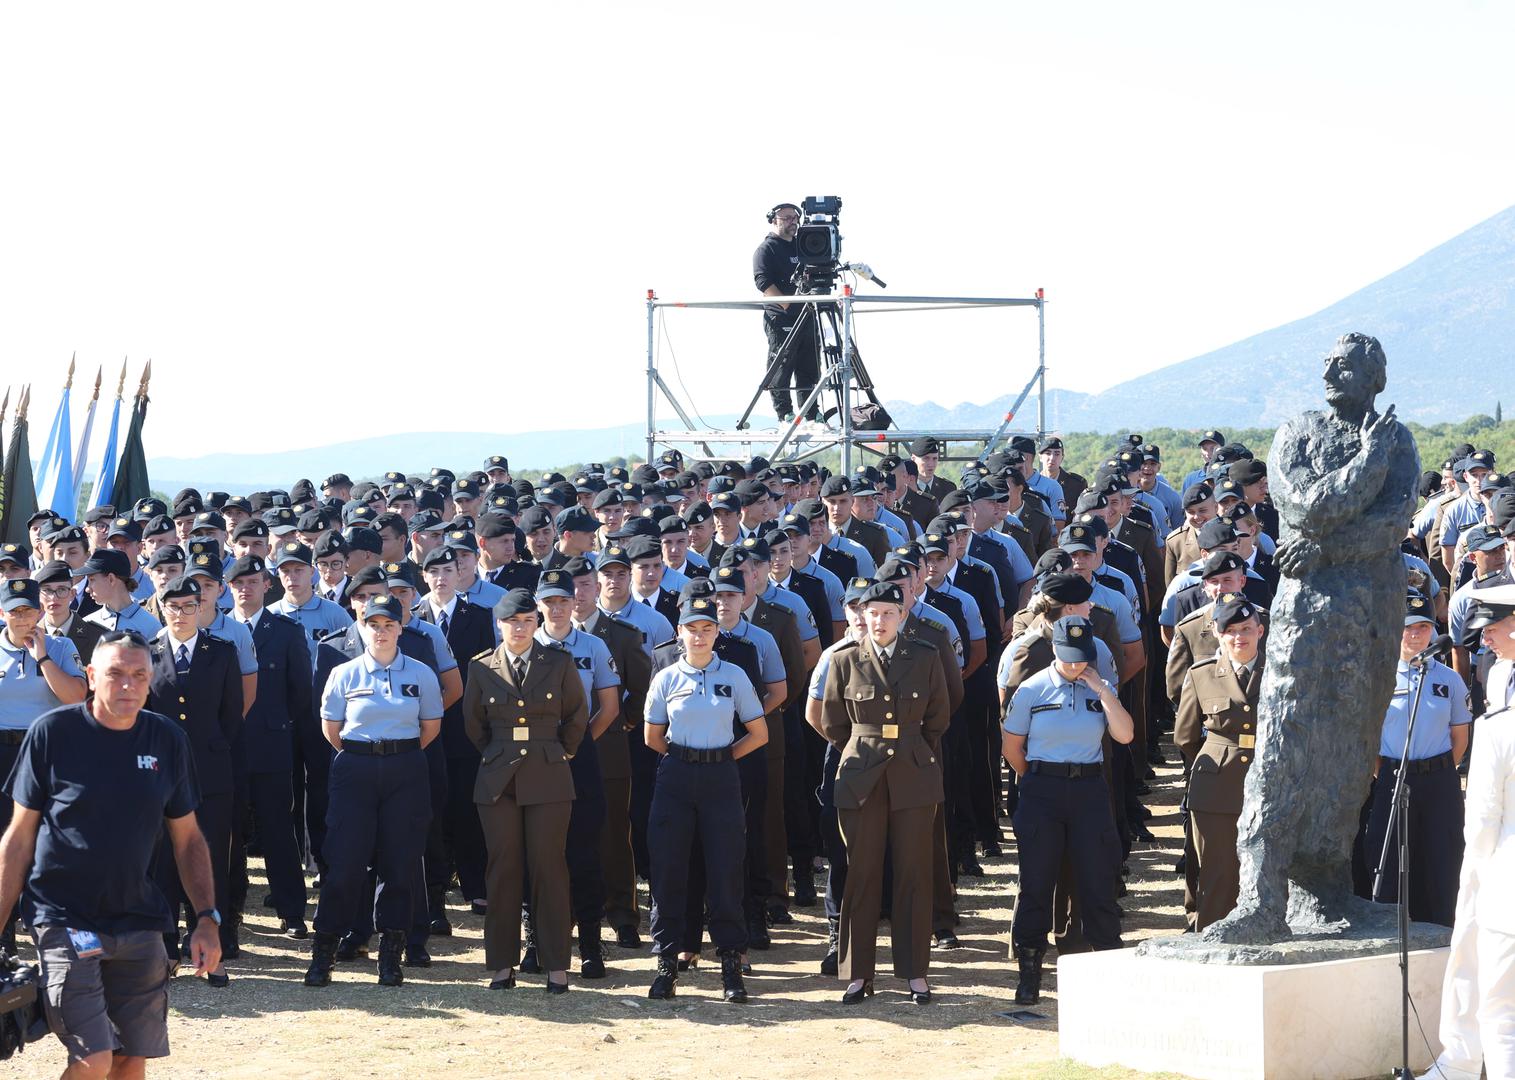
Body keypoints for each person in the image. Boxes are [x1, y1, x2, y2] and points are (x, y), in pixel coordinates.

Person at [0, 630, 221, 1078]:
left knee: (130, 1059)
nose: (128, 685)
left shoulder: (166, 739)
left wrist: (206, 918)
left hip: (139, 921)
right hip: (65, 918)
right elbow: (19, 839)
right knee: (92, 1057)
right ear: (92, 676)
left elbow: (189, 839)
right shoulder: (53, 733)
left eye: (139, 675)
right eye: (115, 674)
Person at [820, 580, 950, 1005]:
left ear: (901, 616)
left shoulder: (925, 656)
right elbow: (833, 721)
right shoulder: (843, 660)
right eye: (872, 613)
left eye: (888, 613)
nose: (879, 621)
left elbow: (938, 716)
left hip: (913, 772)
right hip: (861, 775)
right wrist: (864, 748)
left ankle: (915, 972)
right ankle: (858, 974)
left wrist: (909, 749)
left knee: (914, 871)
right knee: (861, 872)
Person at [304, 595, 443, 988]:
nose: (380, 632)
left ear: (401, 628)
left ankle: (390, 957)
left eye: (388, 625)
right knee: (345, 865)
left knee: (399, 866)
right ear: (361, 627)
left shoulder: (421, 672)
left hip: (406, 768)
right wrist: (363, 755)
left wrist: (395, 753)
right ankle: (324, 953)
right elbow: (331, 729)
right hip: (355, 769)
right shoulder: (345, 673)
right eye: (373, 624)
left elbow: (429, 726)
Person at [1002, 615, 1134, 1003]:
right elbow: (1012, 747)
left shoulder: (1100, 686)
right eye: (1069, 658)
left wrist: (1103, 690)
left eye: (1082, 658)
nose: (1076, 665)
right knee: (1037, 883)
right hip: (1042, 789)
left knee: (1097, 879)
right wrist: (1037, 778)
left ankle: (1108, 965)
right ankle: (1030, 972)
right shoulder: (1031, 689)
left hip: (1089, 789)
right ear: (1054, 651)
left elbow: (1124, 734)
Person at [643, 593, 768, 1003]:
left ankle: (731, 965)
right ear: (679, 633)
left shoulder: (733, 674)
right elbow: (651, 737)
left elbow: (758, 732)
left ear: (717, 632)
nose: (699, 637)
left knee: (726, 869)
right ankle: (666, 963)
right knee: (668, 869)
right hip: (676, 776)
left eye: (707, 629)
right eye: (692, 629)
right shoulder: (666, 677)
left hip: (720, 777)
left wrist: (720, 758)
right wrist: (688, 758)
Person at [464, 588, 588, 993]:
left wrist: (557, 754)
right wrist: (500, 755)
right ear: (499, 625)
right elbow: (474, 726)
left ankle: (556, 964)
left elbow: (576, 716)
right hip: (499, 780)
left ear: (537, 624)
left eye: (527, 621)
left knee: (549, 868)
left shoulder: (558, 662)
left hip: (549, 775)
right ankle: (502, 964)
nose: (520, 628)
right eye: (512, 622)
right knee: (503, 870)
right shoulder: (481, 667)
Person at [1420, 583, 1515, 1080]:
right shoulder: (1499, 676)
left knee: (1502, 1011)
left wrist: (1479, 863)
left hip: (1501, 866)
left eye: (1494, 630)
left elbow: (1483, 814)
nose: (1486, 643)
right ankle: (1459, 1060)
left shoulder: (1498, 728)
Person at [147, 575, 244, 985]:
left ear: (202, 607)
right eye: (174, 606)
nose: (182, 613)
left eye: (190, 606)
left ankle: (209, 951)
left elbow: (231, 715)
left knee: (209, 861)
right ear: (161, 607)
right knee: (163, 863)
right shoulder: (147, 652)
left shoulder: (221, 651)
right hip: (161, 775)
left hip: (209, 772)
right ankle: (166, 949)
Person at [1355, 590, 1469, 928]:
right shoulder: (1380, 678)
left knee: (1441, 857)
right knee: (1389, 858)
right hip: (1393, 777)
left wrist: (1437, 768)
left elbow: (1459, 737)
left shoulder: (1448, 679)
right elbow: (1370, 737)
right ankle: (1389, 929)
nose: (1416, 635)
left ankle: (1440, 930)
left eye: (1423, 627)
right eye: (1408, 628)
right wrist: (1386, 773)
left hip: (1438, 780)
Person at [0, 579, 87, 952]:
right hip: (2, 752)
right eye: (14, 611)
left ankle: (46, 935)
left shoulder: (62, 646)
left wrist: (43, 657)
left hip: (45, 752)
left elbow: (76, 697)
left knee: (45, 845)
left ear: (40, 611)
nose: (23, 619)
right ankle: (4, 937)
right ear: (2, 613)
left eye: (28, 610)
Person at [1174, 593, 1265, 931]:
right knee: (1217, 871)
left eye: (1246, 628)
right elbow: (1185, 736)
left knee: (1263, 869)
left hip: (1267, 781)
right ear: (1218, 634)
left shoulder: (1279, 672)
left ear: (1260, 629)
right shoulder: (1201, 674)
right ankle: (1210, 934)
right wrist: (1219, 755)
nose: (1239, 637)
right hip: (1216, 786)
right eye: (1231, 631)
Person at [752, 201, 819, 424]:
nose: (792, 222)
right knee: (782, 364)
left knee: (810, 366)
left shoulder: (803, 246)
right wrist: (787, 304)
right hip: (781, 317)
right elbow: (763, 282)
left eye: (794, 217)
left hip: (808, 315)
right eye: (786, 218)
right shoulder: (766, 249)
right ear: (774, 220)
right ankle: (785, 414)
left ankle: (810, 412)